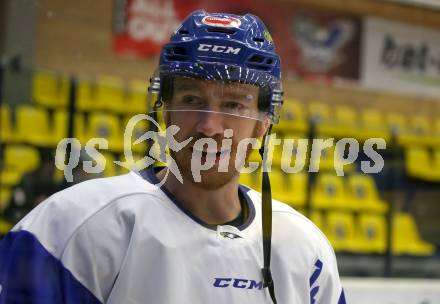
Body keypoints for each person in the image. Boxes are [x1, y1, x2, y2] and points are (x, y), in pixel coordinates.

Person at [0, 10, 346, 304]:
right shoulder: (71, 226)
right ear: (166, 113)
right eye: (192, 99)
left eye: (233, 105)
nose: (209, 126)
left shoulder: (306, 249)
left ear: (262, 125)